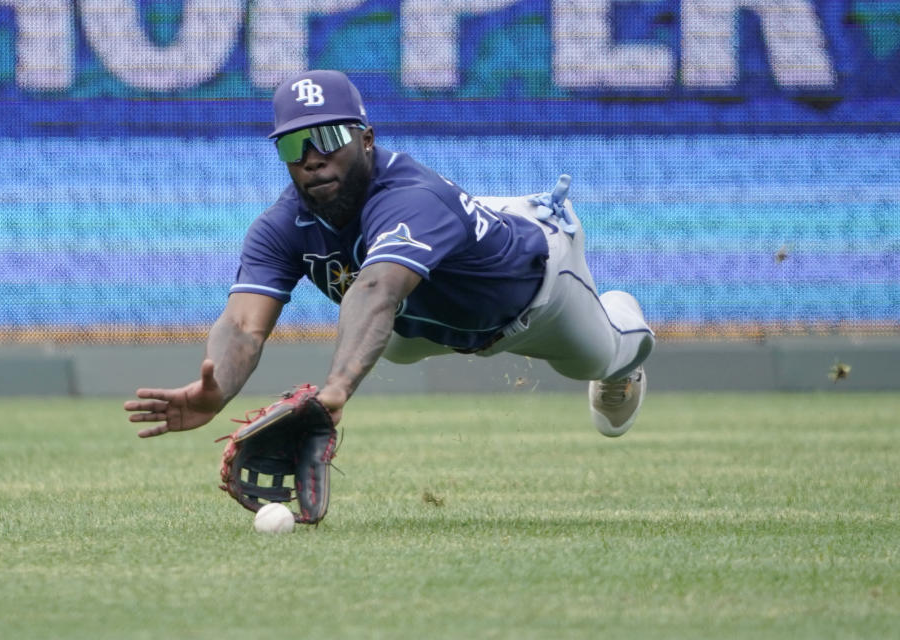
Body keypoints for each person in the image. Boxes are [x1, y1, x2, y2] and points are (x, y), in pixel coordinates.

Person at [124, 69, 655, 439]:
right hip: (418, 317)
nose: (311, 157)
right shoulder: (281, 225)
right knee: (389, 335)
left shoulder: (410, 197)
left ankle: (622, 328)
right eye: (293, 145)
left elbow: (379, 288)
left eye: (328, 135)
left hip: (536, 294)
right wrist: (218, 387)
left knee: (599, 356)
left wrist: (335, 390)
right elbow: (243, 324)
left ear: (367, 139)